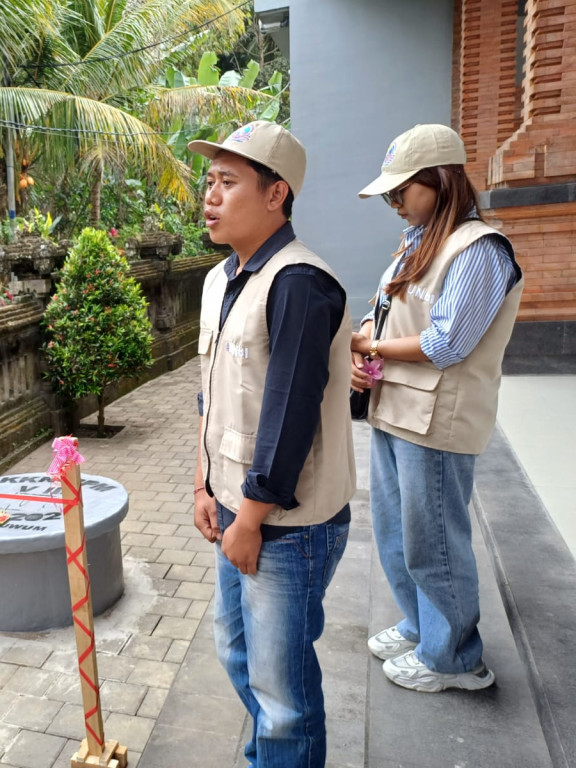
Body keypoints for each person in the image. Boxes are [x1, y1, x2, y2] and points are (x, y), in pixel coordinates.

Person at [189, 121, 356, 768]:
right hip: (235, 506)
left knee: (283, 689)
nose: (210, 195)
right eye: (209, 181)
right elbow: (213, 396)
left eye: (228, 183)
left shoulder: (300, 284)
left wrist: (251, 518)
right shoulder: (220, 279)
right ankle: (274, 755)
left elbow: (289, 415)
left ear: (276, 194)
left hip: (286, 522)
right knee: (236, 650)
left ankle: (282, 754)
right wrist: (202, 485)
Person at [353, 123, 523, 693]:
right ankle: (422, 626)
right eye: (391, 195)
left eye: (404, 191)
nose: (395, 203)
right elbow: (389, 314)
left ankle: (455, 658)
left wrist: (372, 348)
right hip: (395, 408)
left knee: (436, 544)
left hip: (437, 422)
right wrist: (366, 353)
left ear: (442, 182)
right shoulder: (419, 238)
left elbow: (449, 343)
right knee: (397, 535)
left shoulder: (480, 250)